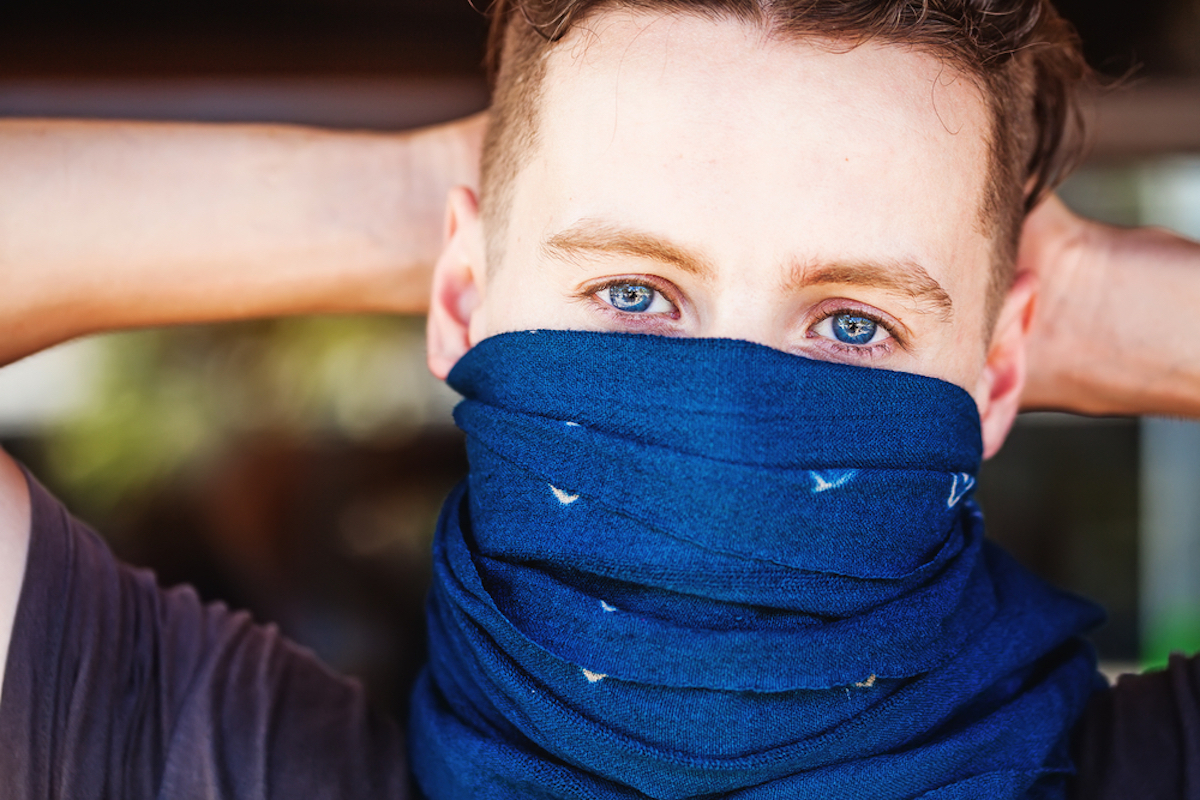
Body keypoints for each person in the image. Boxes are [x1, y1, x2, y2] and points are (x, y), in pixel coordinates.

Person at [0, 1, 1199, 797]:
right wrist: (419, 197)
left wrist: (1080, 300)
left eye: (852, 322)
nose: (725, 414)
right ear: (462, 294)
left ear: (996, 374)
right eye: (632, 292)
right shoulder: (210, 757)